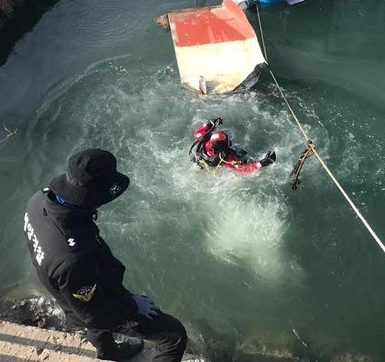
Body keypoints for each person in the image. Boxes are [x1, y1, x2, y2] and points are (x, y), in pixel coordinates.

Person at [23, 149, 187, 361]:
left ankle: (108, 352)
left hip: (66, 288)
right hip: (88, 298)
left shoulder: (39, 200)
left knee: (86, 306)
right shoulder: (74, 259)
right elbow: (97, 315)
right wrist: (132, 305)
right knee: (173, 335)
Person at [189, 117, 276, 173]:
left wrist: (209, 123)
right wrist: (261, 163)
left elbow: (198, 132)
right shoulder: (226, 158)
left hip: (200, 158)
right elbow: (241, 169)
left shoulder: (201, 140)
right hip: (213, 165)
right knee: (243, 154)